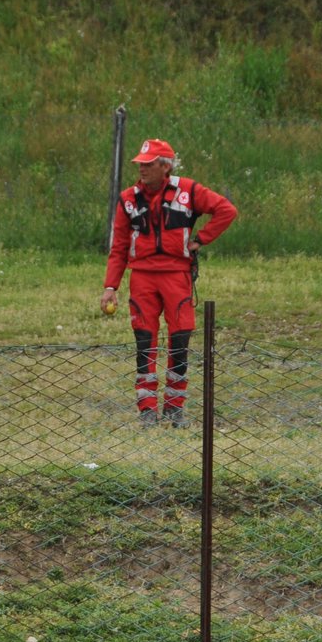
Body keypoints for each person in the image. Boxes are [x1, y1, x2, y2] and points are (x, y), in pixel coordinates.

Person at [101, 139, 237, 427]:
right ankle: (147, 410)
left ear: (165, 166)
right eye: (140, 164)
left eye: (148, 164)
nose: (142, 170)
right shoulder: (128, 198)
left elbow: (226, 211)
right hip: (142, 279)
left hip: (177, 277)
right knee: (144, 341)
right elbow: (119, 247)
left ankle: (175, 409)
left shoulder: (188, 191)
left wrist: (200, 240)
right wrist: (110, 286)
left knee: (179, 340)